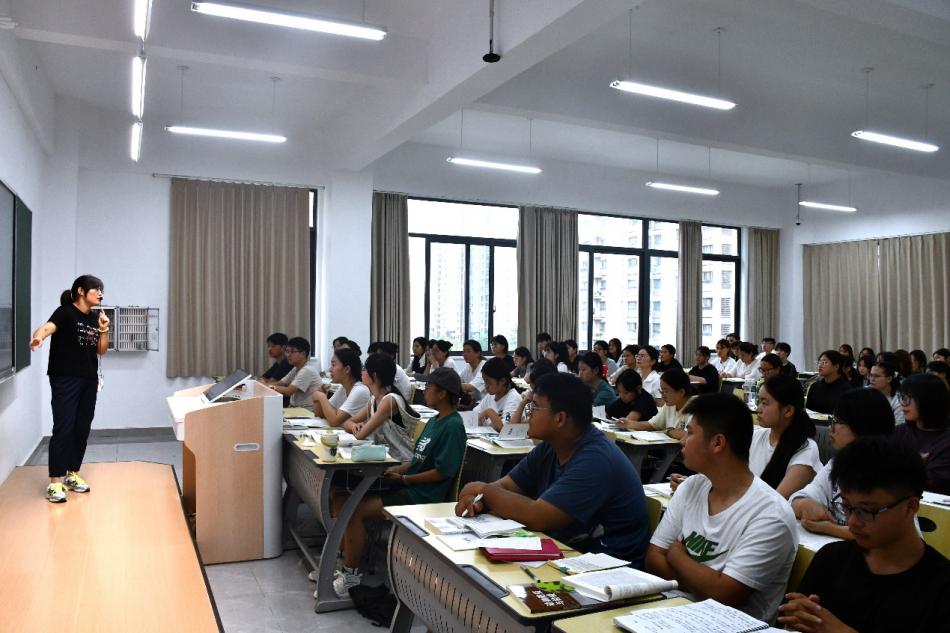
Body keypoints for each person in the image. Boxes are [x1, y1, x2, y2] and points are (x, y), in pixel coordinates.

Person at [456, 373, 650, 566]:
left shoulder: (596, 460)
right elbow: (505, 486)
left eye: (535, 407)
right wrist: (480, 502)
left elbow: (537, 516)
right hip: (568, 553)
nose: (529, 414)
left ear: (560, 418)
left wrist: (483, 490)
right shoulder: (551, 446)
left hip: (608, 567)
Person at [646, 393, 798, 622]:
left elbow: (724, 594)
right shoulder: (691, 487)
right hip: (672, 613)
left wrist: (676, 556)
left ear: (718, 443)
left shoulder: (770, 514)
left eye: (690, 433)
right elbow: (653, 558)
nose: (682, 441)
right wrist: (703, 582)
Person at [778, 437, 950, 633]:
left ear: (910, 507)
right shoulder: (831, 559)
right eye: (847, 507)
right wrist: (795, 620)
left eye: (866, 511)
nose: (852, 521)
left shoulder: (941, 587)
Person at [332, 367, 467, 596]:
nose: (425, 391)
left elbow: (442, 472)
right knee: (341, 497)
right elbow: (417, 460)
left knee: (353, 511)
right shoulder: (434, 421)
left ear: (443, 393)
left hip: (422, 495)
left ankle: (351, 578)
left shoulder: (453, 426)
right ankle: (341, 561)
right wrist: (395, 471)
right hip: (409, 484)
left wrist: (405, 479)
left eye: (429, 387)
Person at [29, 275, 110, 503]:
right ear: (81, 291)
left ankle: (72, 474)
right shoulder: (65, 312)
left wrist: (104, 329)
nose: (100, 294)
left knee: (81, 428)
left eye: (101, 290)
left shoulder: (94, 317)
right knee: (63, 427)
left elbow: (101, 350)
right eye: (96, 289)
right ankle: (55, 482)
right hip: (65, 378)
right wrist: (38, 337)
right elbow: (48, 327)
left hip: (89, 379)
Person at [790, 388, 895, 540]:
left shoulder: (890, 472)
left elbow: (885, 533)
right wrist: (805, 504)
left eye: (837, 422)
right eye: (831, 420)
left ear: (863, 425)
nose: (830, 428)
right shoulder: (837, 464)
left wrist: (830, 528)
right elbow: (797, 499)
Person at [342, 353, 422, 463]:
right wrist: (354, 426)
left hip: (400, 460)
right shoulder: (373, 399)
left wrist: (358, 427)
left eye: (365, 369)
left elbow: (361, 435)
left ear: (374, 375)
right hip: (382, 457)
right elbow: (346, 422)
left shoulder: (389, 400)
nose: (362, 372)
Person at [752, 376, 821, 499]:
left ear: (788, 411)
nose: (758, 409)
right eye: (758, 402)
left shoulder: (806, 449)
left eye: (765, 403)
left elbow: (776, 501)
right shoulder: (756, 436)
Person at [894, 373, 950, 494]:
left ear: (928, 400)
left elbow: (933, 483)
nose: (902, 403)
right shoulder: (899, 431)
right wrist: (915, 464)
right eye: (901, 397)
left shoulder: (946, 442)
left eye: (908, 398)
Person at [621, 369, 694, 440]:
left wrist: (667, 431)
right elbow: (651, 425)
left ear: (681, 392)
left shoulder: (696, 406)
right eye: (661, 391)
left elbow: (689, 434)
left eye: (666, 391)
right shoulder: (669, 405)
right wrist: (629, 423)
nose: (663, 396)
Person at [312, 348, 371, 427]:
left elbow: (334, 422)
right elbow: (320, 415)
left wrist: (321, 397)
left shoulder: (360, 390)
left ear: (347, 369)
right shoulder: (343, 388)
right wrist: (319, 396)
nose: (330, 370)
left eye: (333, 365)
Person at [266, 337, 320, 411]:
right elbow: (280, 383)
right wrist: (263, 385)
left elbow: (288, 391)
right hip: (295, 409)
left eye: (292, 352)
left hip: (307, 411)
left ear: (303, 354)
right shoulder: (296, 368)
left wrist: (269, 386)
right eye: (287, 352)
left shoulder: (307, 370)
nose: (288, 355)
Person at [474, 357, 523, 431]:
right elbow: (474, 415)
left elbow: (506, 430)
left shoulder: (513, 398)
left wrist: (489, 412)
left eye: (489, 382)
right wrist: (495, 420)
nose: (486, 386)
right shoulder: (491, 396)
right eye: (484, 381)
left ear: (502, 381)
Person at [805, 350, 851, 415]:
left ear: (836, 366)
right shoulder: (814, 386)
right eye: (819, 362)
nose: (820, 365)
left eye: (825, 362)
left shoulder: (846, 389)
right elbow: (808, 411)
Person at [868, 359, 904, 424]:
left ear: (889, 379)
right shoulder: (865, 392)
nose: (872, 379)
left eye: (876, 376)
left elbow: (898, 426)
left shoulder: (898, 401)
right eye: (871, 375)